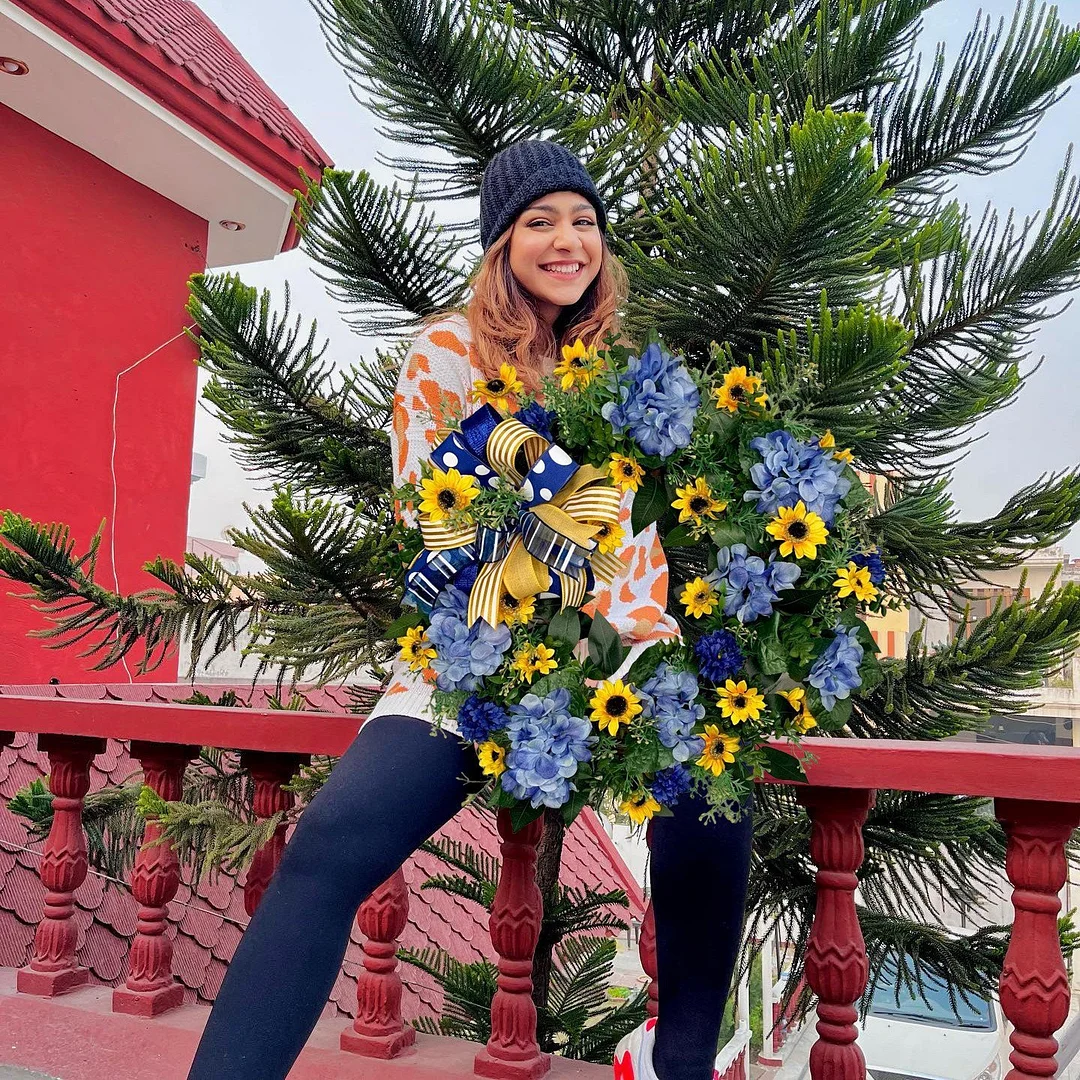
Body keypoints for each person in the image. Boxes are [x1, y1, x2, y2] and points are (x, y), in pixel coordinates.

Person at [186, 139, 753, 1080]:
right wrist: (571, 506)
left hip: (625, 647)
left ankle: (679, 1059)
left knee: (712, 797)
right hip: (482, 643)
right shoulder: (448, 350)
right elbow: (431, 510)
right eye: (541, 222)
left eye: (585, 222)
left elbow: (655, 521)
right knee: (329, 845)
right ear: (502, 242)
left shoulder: (625, 371)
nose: (569, 241)